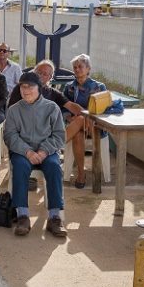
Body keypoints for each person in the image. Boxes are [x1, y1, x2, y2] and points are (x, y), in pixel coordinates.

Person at [4, 72, 67, 238]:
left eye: (30, 87)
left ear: (39, 88)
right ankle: (23, 215)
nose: (26, 90)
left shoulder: (52, 108)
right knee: (19, 167)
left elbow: (59, 135)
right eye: (23, 87)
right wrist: (28, 151)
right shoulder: (14, 110)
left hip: (47, 152)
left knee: (54, 168)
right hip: (23, 152)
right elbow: (10, 136)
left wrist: (44, 150)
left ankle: (54, 217)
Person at [63, 54, 107, 189]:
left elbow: (104, 109)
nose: (77, 70)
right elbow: (61, 106)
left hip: (95, 126)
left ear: (88, 69)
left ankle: (56, 144)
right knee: (77, 133)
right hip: (76, 126)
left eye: (80, 67)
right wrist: (68, 117)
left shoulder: (99, 87)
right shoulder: (69, 87)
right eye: (75, 67)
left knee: (82, 117)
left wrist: (86, 117)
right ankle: (81, 174)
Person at [7, 60, 83, 115]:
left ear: (50, 77)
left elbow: (71, 106)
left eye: (45, 74)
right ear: (34, 71)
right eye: (39, 72)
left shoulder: (53, 93)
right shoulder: (22, 87)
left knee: (81, 122)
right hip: (23, 124)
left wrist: (86, 115)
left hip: (44, 128)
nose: (40, 75)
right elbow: (11, 109)